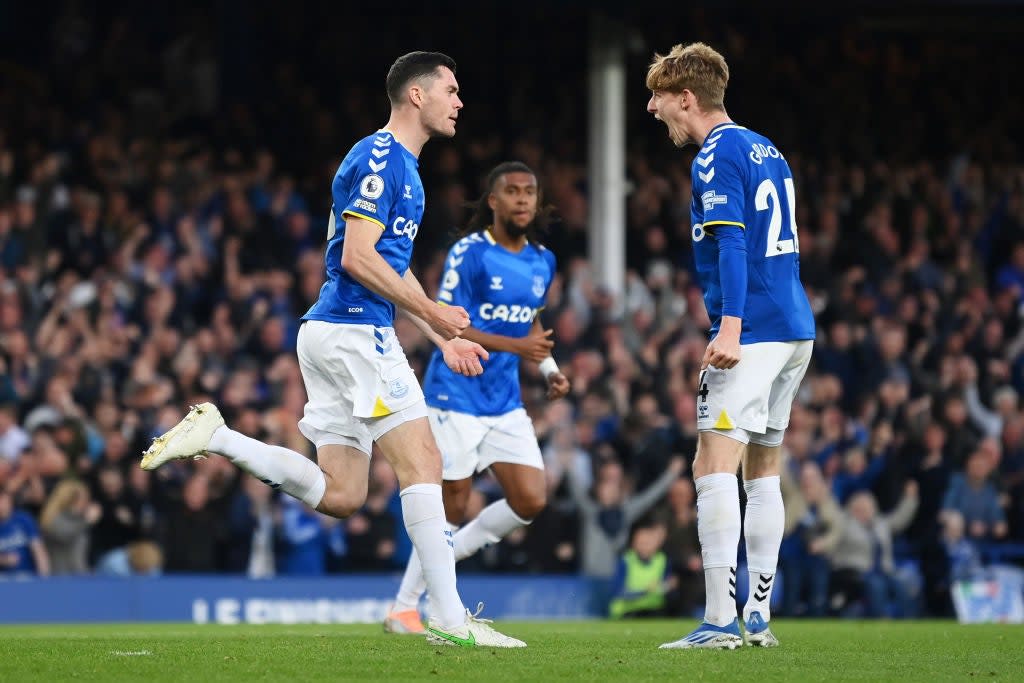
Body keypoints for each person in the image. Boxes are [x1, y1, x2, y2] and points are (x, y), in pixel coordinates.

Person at [140, 51, 523, 648]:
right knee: (423, 464)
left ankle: (217, 437)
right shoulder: (379, 157)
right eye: (451, 89)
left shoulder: (405, 169)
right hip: (352, 331)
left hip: (333, 331)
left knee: (342, 494)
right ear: (416, 96)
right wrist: (430, 313)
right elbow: (357, 258)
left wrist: (442, 335)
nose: (459, 101)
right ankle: (449, 622)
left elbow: (387, 267)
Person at [646, 43, 816, 649]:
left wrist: (731, 326)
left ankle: (720, 621)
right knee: (764, 467)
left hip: (757, 329)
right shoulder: (766, 146)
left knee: (713, 465)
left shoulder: (714, 156)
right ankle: (761, 621)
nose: (652, 107)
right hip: (796, 326)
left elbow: (734, 245)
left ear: (686, 98)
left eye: (660, 97)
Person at [384, 161, 569, 633]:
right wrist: (522, 349)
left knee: (530, 500)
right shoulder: (469, 253)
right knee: (453, 503)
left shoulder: (541, 260)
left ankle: (442, 564)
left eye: (530, 191)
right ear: (493, 201)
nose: (523, 198)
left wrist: (546, 366)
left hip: (504, 400)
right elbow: (453, 323)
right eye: (512, 191)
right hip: (457, 393)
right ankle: (405, 608)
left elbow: (529, 321)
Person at [0, 488, 50, 576]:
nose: (2, 505)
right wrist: (3, 560)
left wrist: (44, 579)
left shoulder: (23, 519)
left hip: (27, 577)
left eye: (3, 501)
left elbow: (38, 550)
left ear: (10, 501)